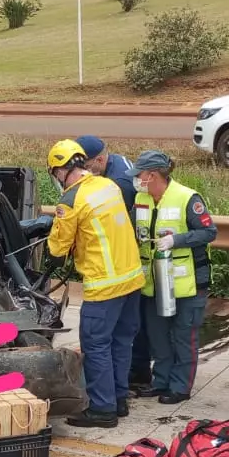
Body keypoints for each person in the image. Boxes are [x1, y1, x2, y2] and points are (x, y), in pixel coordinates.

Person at [42, 139, 145, 429]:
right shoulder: (108, 186)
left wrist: (52, 256)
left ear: (61, 171)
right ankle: (119, 399)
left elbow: (58, 248)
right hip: (132, 278)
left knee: (96, 344)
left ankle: (102, 409)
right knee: (121, 342)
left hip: (105, 283)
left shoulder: (70, 201)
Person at [128, 151, 218, 404]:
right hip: (153, 283)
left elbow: (209, 232)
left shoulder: (187, 198)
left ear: (152, 175)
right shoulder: (141, 198)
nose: (136, 179)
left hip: (186, 284)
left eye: (139, 175)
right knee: (158, 337)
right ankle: (161, 382)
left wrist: (176, 240)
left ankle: (180, 387)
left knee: (183, 337)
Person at [74, 135, 153, 393]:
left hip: (116, 266)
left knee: (106, 339)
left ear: (99, 159)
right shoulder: (115, 164)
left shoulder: (117, 182)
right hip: (128, 267)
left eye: (85, 165)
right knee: (124, 335)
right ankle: (121, 392)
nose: (83, 172)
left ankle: (122, 387)